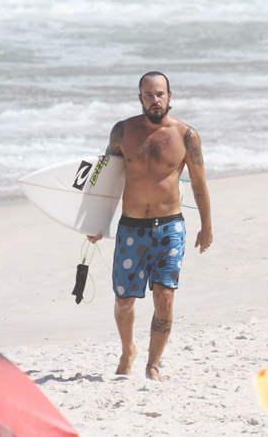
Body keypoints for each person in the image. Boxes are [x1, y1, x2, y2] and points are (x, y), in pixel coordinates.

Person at [88, 71, 213, 380]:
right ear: (140, 98)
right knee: (123, 299)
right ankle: (128, 348)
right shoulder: (122, 132)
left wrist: (206, 226)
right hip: (131, 227)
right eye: (148, 94)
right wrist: (96, 221)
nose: (154, 99)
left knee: (165, 295)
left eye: (160, 94)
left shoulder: (186, 136)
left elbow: (199, 185)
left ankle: (152, 364)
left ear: (170, 97)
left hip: (170, 227)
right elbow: (106, 180)